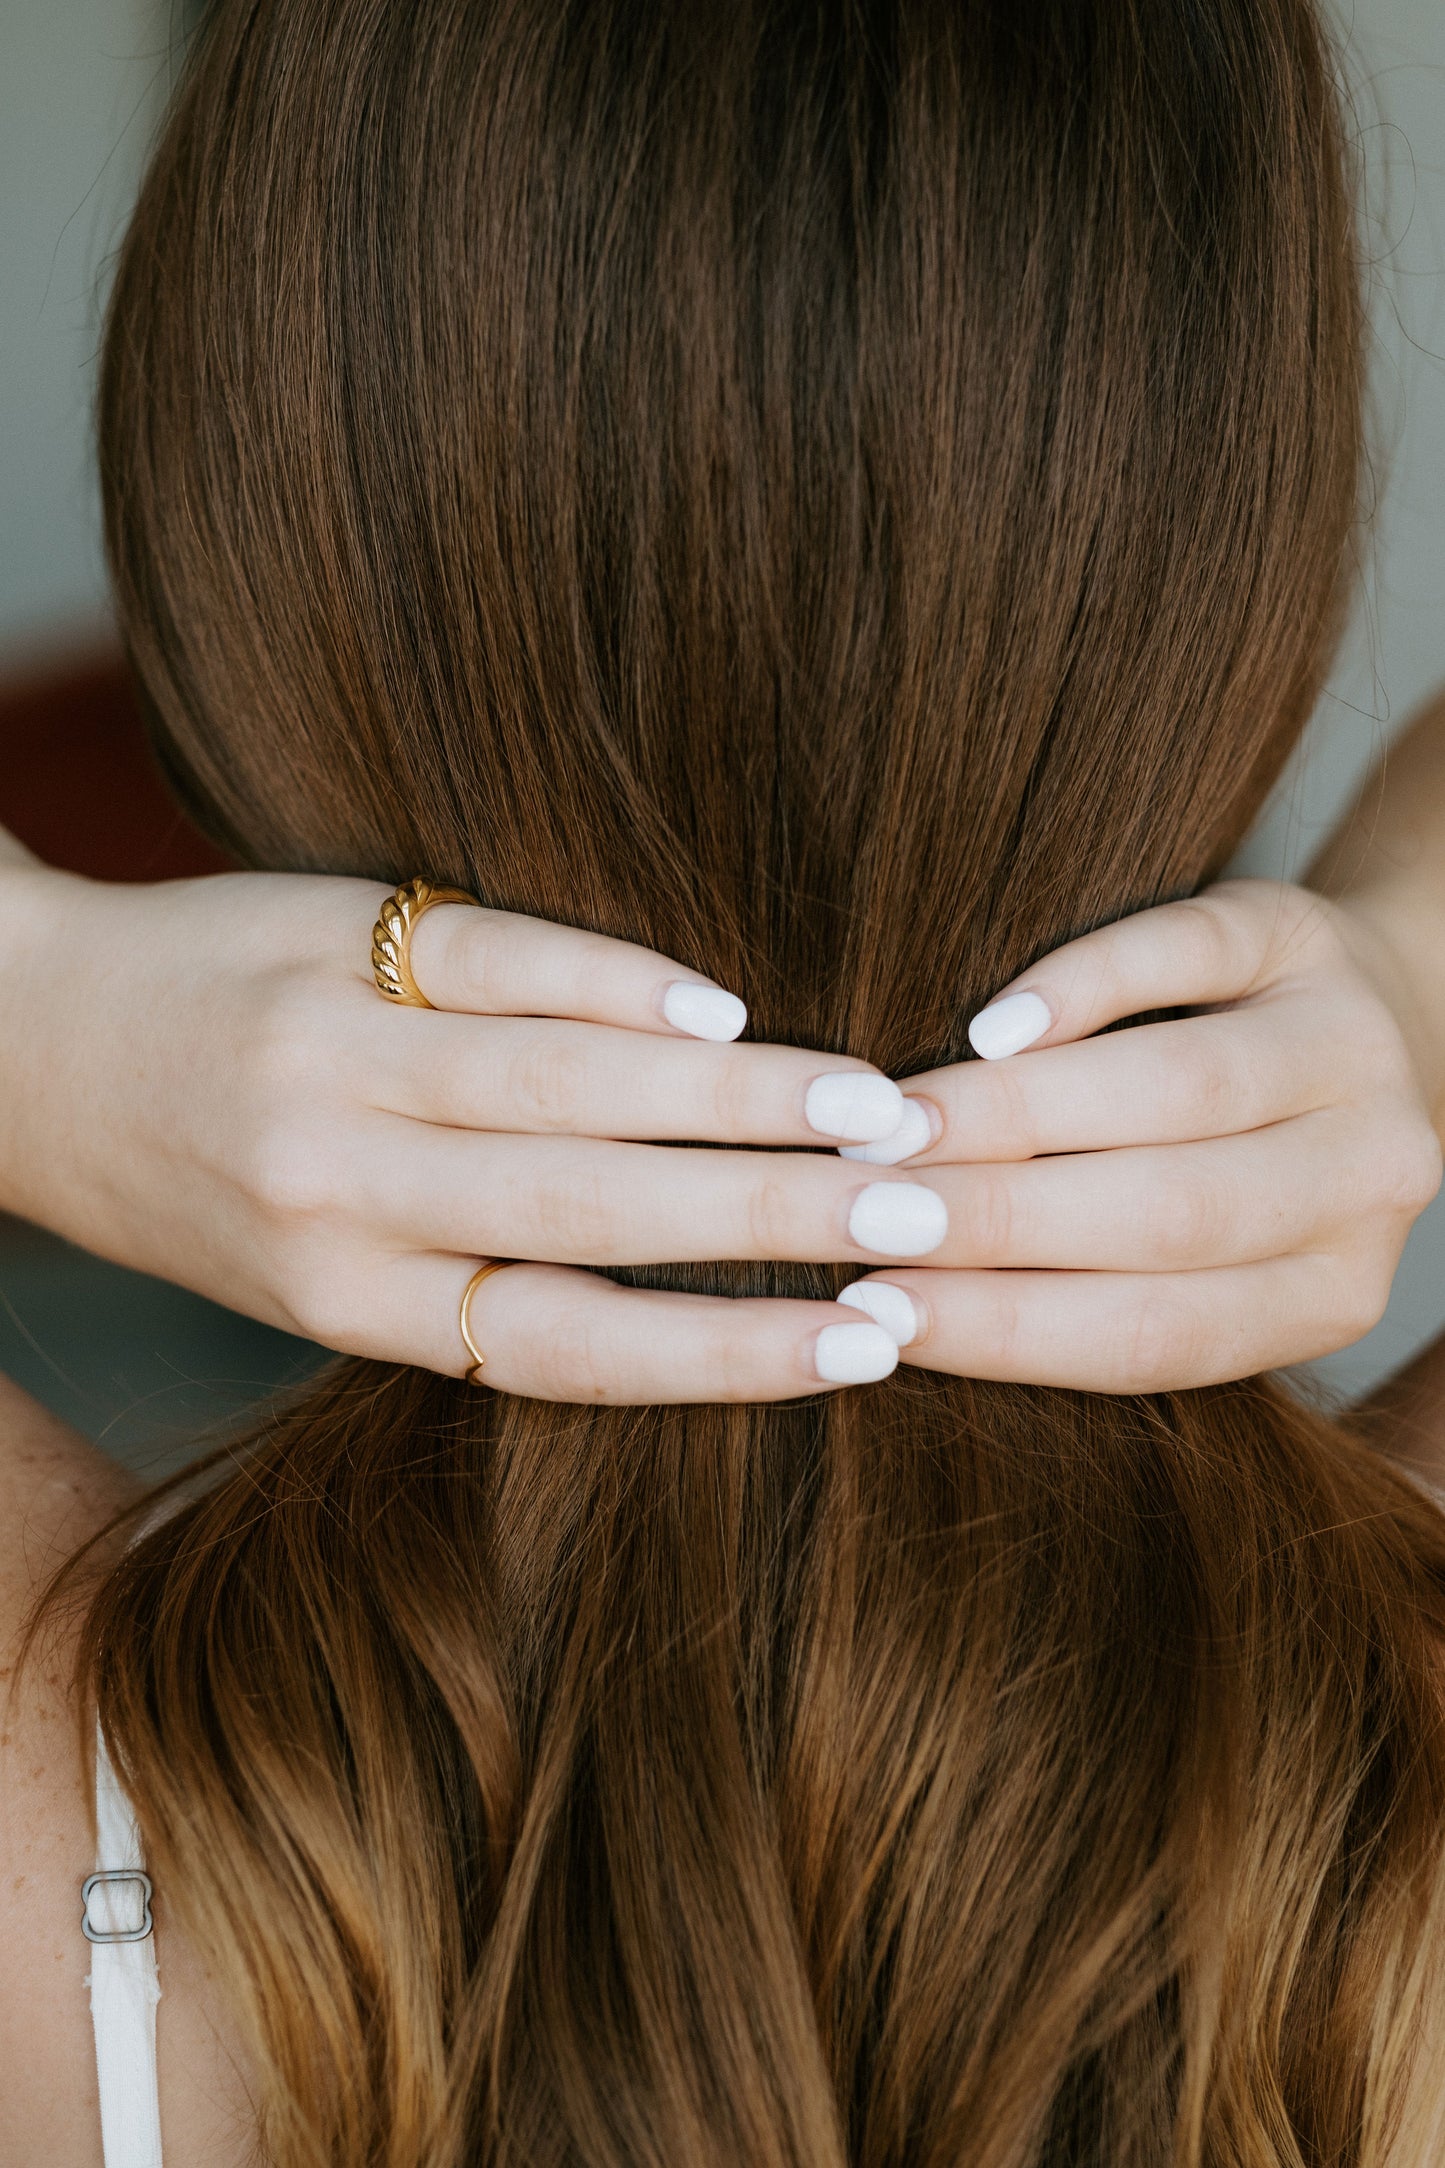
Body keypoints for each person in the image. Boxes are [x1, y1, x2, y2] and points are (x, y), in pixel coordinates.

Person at [6, 0, 1445, 2159]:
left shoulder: (59, 1829)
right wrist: (1410, 973)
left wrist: (33, 1016)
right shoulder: (1388, 1774)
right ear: (1243, 525)